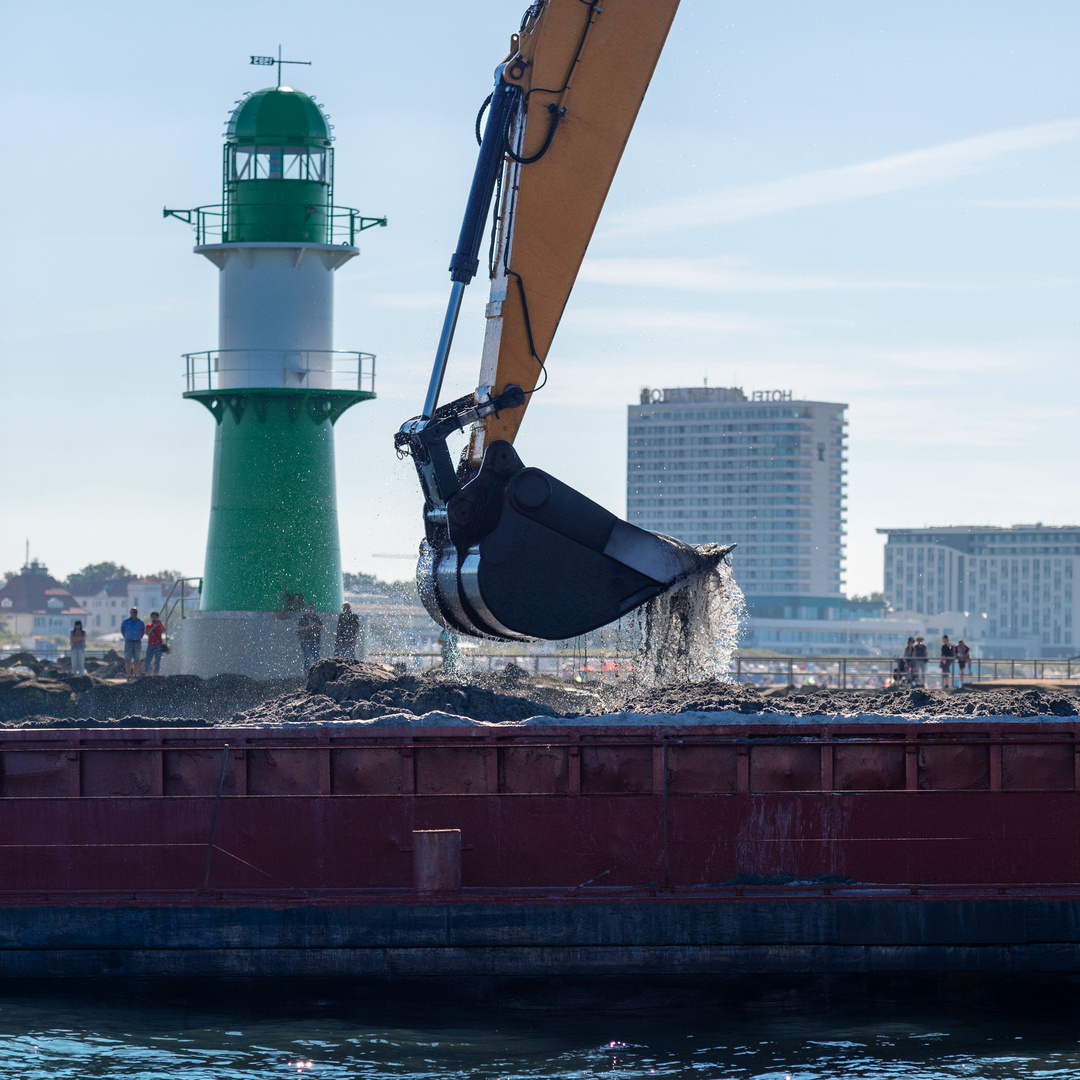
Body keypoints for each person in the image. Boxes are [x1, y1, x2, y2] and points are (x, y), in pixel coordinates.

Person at [120, 606, 145, 678]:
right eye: (133, 612)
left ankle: (135, 675)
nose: (134, 614)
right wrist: (127, 637)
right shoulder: (125, 622)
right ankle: (128, 675)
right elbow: (122, 631)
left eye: (135, 612)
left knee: (137, 659)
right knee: (128, 659)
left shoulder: (140, 622)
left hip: (137, 641)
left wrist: (138, 637)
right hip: (128, 641)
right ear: (130, 613)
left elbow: (143, 631)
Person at [297, 603, 323, 674]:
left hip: (315, 641)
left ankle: (318, 673)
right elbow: (298, 628)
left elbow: (322, 627)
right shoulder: (304, 618)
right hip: (306, 640)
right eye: (309, 608)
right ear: (307, 609)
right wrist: (307, 627)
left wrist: (315, 625)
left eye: (312, 608)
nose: (310, 610)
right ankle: (307, 675)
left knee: (317, 658)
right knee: (307, 659)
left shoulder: (316, 618)